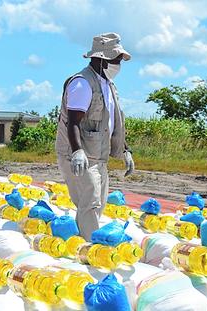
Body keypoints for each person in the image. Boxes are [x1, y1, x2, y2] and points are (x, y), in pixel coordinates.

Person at [55, 32, 135, 241]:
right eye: (117, 60)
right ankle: (92, 248)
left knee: (98, 201)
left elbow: (112, 122)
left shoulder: (107, 85)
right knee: (89, 203)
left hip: (98, 155)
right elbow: (73, 122)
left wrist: (125, 150)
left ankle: (86, 240)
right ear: (102, 59)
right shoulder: (82, 84)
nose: (119, 65)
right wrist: (77, 152)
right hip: (80, 155)